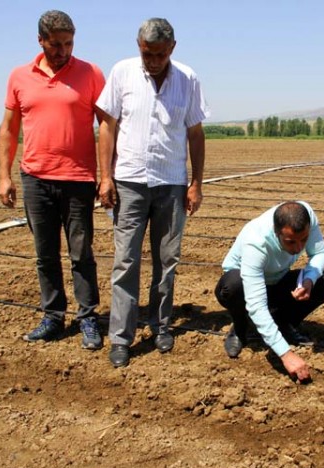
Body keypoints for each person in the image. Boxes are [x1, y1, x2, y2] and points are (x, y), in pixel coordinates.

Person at [96, 18, 209, 368]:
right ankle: (121, 337)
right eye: (147, 53)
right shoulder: (122, 73)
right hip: (129, 181)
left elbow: (195, 134)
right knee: (125, 260)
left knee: (167, 260)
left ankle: (161, 326)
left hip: (171, 183)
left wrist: (196, 183)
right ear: (138, 46)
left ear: (172, 49)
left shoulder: (188, 79)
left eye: (159, 54)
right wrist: (105, 177)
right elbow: (108, 126)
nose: (153, 60)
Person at [0, 10, 105, 349]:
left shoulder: (90, 73)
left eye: (69, 43)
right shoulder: (19, 76)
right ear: (40, 40)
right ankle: (53, 316)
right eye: (56, 44)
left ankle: (88, 317)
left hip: (78, 179)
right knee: (45, 253)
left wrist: (107, 176)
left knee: (81, 252)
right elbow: (8, 129)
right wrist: (4, 176)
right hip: (35, 178)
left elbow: (107, 126)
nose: (63, 51)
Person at [215, 201, 324, 382]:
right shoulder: (256, 242)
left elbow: (319, 252)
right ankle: (240, 328)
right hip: (244, 284)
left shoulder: (306, 217)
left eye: (303, 240)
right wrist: (286, 354)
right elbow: (256, 303)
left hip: (277, 280)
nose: (298, 248)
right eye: (290, 242)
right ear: (276, 231)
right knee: (233, 286)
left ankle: (283, 323)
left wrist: (309, 279)